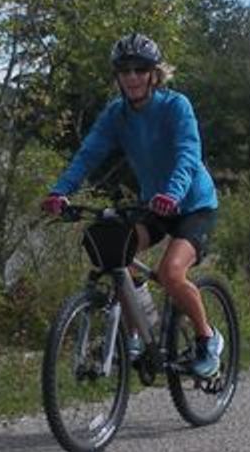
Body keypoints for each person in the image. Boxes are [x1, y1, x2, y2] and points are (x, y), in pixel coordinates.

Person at [41, 33, 225, 377]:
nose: (132, 77)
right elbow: (89, 153)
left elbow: (188, 154)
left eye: (140, 69)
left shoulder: (176, 106)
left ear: (154, 73)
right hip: (155, 205)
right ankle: (137, 331)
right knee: (114, 252)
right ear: (117, 76)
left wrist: (172, 193)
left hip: (193, 204)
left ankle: (207, 338)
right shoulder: (116, 115)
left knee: (171, 273)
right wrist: (60, 191)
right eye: (124, 70)